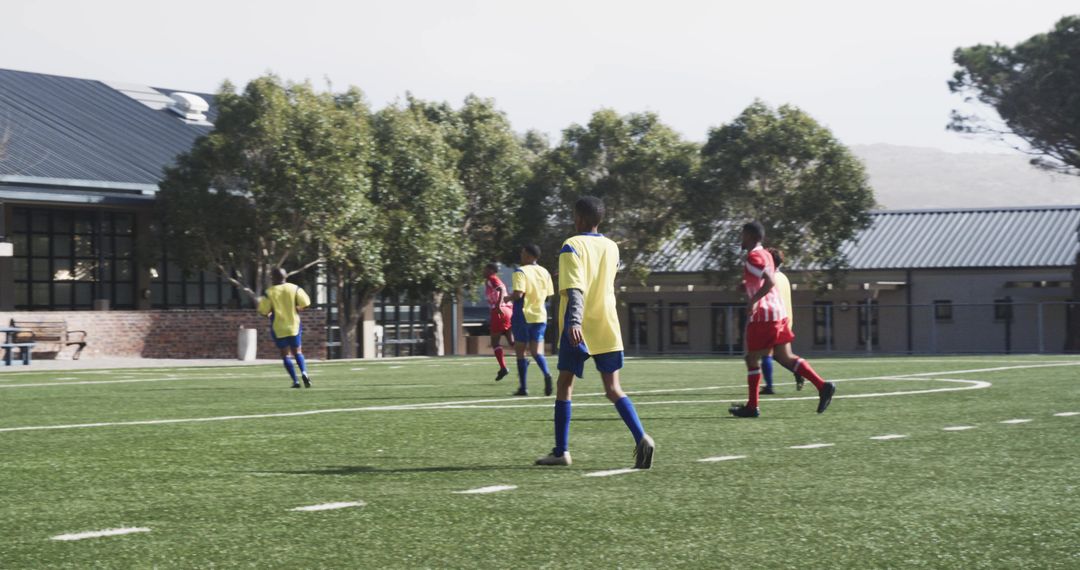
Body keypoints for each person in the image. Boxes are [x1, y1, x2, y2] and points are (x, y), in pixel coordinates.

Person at [535, 196, 656, 469]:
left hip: (578, 329)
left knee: (564, 385)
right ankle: (641, 437)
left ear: (578, 218)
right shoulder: (612, 247)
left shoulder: (571, 246)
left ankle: (561, 451)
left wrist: (574, 323)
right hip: (608, 324)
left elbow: (576, 289)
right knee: (613, 388)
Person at [730, 222, 835, 417]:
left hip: (764, 316)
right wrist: (746, 286)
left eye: (743, 235)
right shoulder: (766, 255)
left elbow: (769, 280)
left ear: (752, 236)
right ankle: (823, 386)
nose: (741, 239)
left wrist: (753, 300)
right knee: (785, 357)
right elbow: (764, 279)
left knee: (752, 358)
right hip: (778, 314)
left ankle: (752, 407)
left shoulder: (754, 256)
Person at [506, 244, 555, 397]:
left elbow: (519, 294)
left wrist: (508, 297)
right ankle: (547, 374)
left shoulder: (520, 272)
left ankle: (523, 388)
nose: (521, 256)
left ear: (528, 255)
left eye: (522, 253)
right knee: (536, 351)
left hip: (523, 314)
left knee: (520, 351)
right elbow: (548, 295)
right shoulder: (545, 272)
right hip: (540, 315)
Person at [257, 268, 312, 388]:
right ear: (285, 276)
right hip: (294, 325)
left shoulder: (270, 292)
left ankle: (295, 381)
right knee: (298, 351)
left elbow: (262, 310)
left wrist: (268, 313)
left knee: (285, 354)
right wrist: (298, 308)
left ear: (274, 278)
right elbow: (306, 302)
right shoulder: (294, 288)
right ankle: (304, 372)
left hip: (278, 327)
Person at [759, 247, 804, 394]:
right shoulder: (783, 277)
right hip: (787, 319)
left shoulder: (771, 279)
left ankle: (770, 386)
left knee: (767, 354)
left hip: (776, 320)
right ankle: (797, 371)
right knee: (779, 356)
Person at [484, 263, 515, 381]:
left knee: (495, 342)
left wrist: (497, 305)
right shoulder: (491, 280)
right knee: (511, 340)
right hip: (509, 310)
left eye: (485, 269)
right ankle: (523, 359)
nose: (483, 272)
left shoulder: (492, 279)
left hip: (499, 311)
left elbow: (501, 289)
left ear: (491, 270)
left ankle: (503, 368)